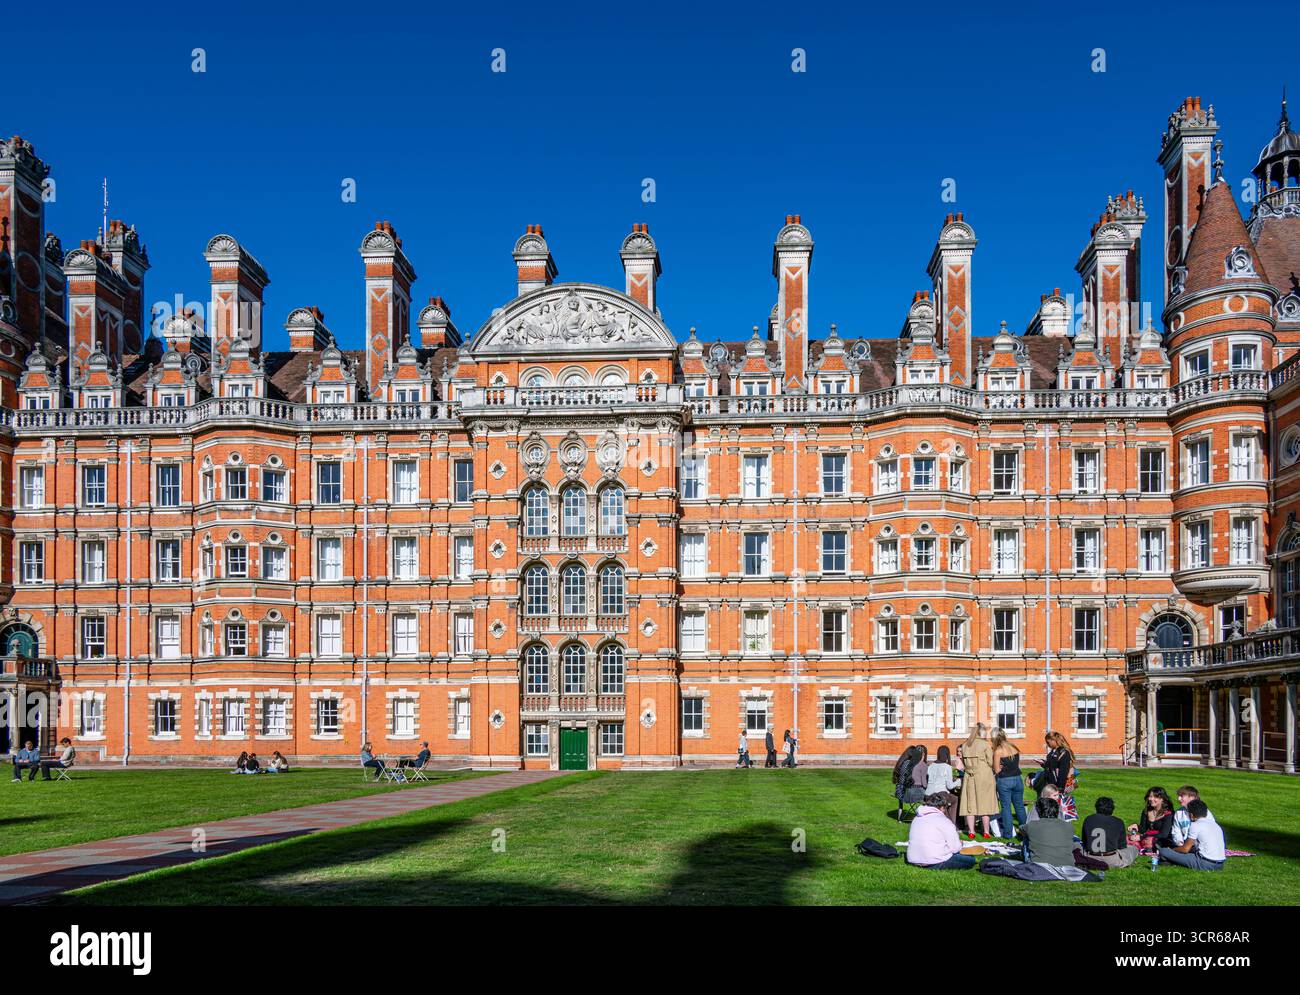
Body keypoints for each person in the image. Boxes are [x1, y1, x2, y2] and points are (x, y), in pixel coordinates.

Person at [906, 793, 976, 870]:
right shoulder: (944, 821)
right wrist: (960, 844)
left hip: (913, 858)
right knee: (971, 860)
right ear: (942, 807)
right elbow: (955, 848)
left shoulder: (916, 818)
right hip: (933, 861)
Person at [1158, 800, 1226, 871]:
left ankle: (1169, 860)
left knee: (1163, 851)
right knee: (1190, 853)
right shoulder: (1215, 825)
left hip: (1204, 863)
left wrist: (1172, 850)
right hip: (1220, 865)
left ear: (1191, 814)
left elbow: (1185, 849)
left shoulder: (1195, 825)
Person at [958, 724, 997, 840]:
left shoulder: (965, 745)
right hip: (983, 775)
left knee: (970, 804)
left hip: (969, 775)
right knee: (984, 803)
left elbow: (964, 762)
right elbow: (990, 761)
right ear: (982, 732)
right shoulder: (985, 744)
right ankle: (986, 831)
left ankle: (971, 831)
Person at [1019, 796, 1078, 868]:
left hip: (1039, 865)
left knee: (1026, 837)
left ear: (1039, 811)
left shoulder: (1032, 825)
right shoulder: (1069, 826)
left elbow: (1021, 829)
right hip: (1068, 864)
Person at [1082, 796, 1138, 868]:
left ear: (1096, 807)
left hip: (1090, 858)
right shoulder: (1118, 821)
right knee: (1134, 848)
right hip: (1111, 859)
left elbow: (1084, 842)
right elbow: (1122, 846)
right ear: (1112, 809)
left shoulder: (1088, 819)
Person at [991, 728, 1027, 840]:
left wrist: (994, 766)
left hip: (1004, 780)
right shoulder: (1013, 747)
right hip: (1017, 779)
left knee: (1006, 807)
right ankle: (1025, 832)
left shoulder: (998, 751)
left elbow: (996, 770)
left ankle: (1008, 834)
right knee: (1019, 806)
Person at [1129, 786, 1176, 853]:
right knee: (1128, 838)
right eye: (1150, 796)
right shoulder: (1146, 811)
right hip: (1146, 837)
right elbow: (1143, 829)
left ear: (1162, 799)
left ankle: (1145, 848)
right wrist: (1136, 826)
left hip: (1161, 839)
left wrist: (1142, 837)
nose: (1151, 799)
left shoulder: (1168, 814)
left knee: (1149, 840)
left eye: (1155, 797)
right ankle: (1143, 848)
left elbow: (1164, 834)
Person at [924, 745, 960, 823]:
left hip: (927, 795)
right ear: (947, 755)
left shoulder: (930, 766)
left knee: (948, 798)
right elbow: (950, 786)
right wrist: (959, 781)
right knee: (955, 799)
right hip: (940, 796)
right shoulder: (947, 767)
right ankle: (951, 823)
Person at [893, 746, 926, 810]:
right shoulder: (918, 765)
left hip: (902, 791)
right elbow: (924, 784)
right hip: (906, 792)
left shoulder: (904, 762)